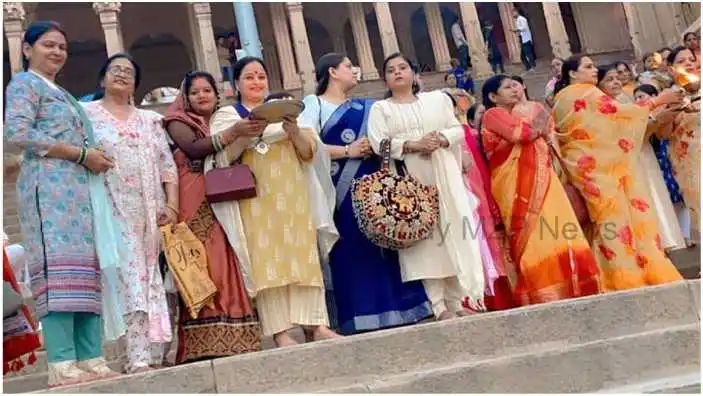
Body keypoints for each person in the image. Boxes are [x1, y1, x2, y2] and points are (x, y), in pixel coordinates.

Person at [5, 20, 120, 387]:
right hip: (48, 190)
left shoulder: (62, 93)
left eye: (62, 47)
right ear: (27, 49)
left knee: (83, 272)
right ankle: (62, 362)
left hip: (76, 192)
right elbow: (17, 133)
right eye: (48, 45)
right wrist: (80, 153)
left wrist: (92, 155)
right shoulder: (24, 83)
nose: (56, 52)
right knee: (58, 273)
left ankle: (91, 356)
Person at [207, 57, 340, 347]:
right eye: (250, 77)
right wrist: (246, 134)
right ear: (236, 85)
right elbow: (223, 159)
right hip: (255, 200)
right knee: (267, 262)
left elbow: (308, 153)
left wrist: (292, 131)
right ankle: (280, 332)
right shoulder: (229, 116)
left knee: (303, 256)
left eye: (261, 77)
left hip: (293, 195)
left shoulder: (289, 111)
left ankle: (316, 325)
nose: (257, 82)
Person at [298, 52, 432, 335]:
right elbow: (307, 145)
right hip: (340, 190)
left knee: (385, 243)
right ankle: (358, 315)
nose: (355, 70)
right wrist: (347, 151)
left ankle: (405, 309)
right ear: (333, 72)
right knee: (351, 251)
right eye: (348, 66)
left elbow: (387, 141)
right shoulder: (315, 105)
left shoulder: (369, 106)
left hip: (375, 186)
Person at [367, 53, 486, 320]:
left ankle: (458, 301)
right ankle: (438, 306)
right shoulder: (381, 109)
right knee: (425, 241)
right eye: (391, 70)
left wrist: (440, 139)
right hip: (410, 182)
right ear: (385, 78)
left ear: (413, 73)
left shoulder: (437, 101)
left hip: (444, 175)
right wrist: (413, 145)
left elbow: (456, 129)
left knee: (453, 231)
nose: (397, 72)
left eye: (403, 67)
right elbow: (378, 143)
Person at [551, 55, 685, 291]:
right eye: (588, 67)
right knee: (617, 220)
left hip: (588, 166)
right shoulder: (585, 92)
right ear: (572, 73)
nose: (594, 71)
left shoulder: (561, 98)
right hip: (600, 166)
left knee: (606, 223)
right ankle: (624, 277)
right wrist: (658, 101)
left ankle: (615, 275)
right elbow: (617, 113)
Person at [83, 53, 177, 374]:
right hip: (111, 209)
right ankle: (136, 356)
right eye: (115, 70)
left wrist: (172, 205)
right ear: (102, 79)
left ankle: (149, 352)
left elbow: (167, 166)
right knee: (128, 279)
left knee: (148, 279)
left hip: (150, 212)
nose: (122, 75)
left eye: (128, 72)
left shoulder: (150, 120)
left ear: (136, 83)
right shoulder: (87, 115)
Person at [163, 71, 262, 362]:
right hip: (192, 198)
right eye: (195, 92)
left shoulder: (222, 119)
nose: (202, 96)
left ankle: (238, 335)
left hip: (224, 196)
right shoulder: (178, 121)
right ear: (185, 97)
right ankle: (201, 340)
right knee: (202, 261)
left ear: (217, 95)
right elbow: (193, 148)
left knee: (228, 259)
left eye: (207, 91)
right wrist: (235, 133)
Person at [481, 75, 601, 305]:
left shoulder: (528, 111)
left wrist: (533, 113)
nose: (514, 90)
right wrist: (535, 111)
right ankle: (543, 290)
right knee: (534, 236)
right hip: (514, 185)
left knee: (560, 230)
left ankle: (575, 283)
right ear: (493, 97)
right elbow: (521, 135)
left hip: (546, 179)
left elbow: (547, 131)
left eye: (516, 85)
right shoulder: (493, 115)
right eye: (507, 88)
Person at [597, 64, 687, 252]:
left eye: (616, 78)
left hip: (645, 155)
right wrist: (655, 117)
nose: (615, 82)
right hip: (629, 161)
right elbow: (625, 134)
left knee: (657, 198)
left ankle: (665, 246)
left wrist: (664, 117)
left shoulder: (626, 100)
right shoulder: (603, 106)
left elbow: (647, 130)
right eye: (609, 79)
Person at [462, 103, 517, 310]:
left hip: (491, 194)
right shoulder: (465, 136)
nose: (484, 116)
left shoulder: (473, 137)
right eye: (480, 114)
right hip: (471, 198)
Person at [635, 84, 691, 250]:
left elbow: (663, 133)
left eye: (642, 96)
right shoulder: (638, 113)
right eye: (637, 97)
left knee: (679, 198)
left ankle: (685, 234)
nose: (639, 100)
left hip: (669, 159)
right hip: (653, 161)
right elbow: (660, 133)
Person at [660, 46, 701, 239]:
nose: (689, 64)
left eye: (691, 60)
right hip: (691, 164)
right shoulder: (669, 96)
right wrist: (676, 109)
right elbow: (663, 134)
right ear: (670, 68)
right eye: (681, 61)